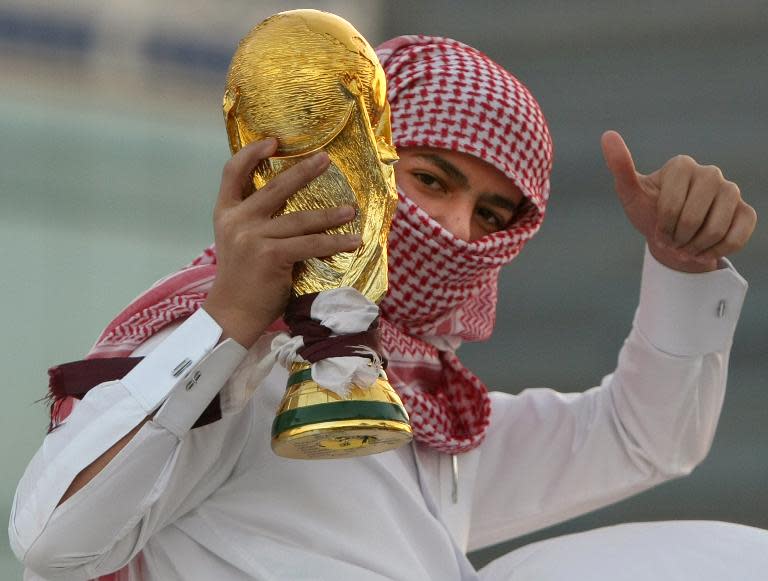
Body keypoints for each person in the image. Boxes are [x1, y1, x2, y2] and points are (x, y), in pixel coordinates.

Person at [9, 34, 763, 581]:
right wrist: (230, 320)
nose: (458, 232)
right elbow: (53, 542)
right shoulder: (237, 362)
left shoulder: (424, 404)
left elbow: (642, 438)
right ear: (347, 164)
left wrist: (682, 266)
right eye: (431, 181)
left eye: (493, 217)